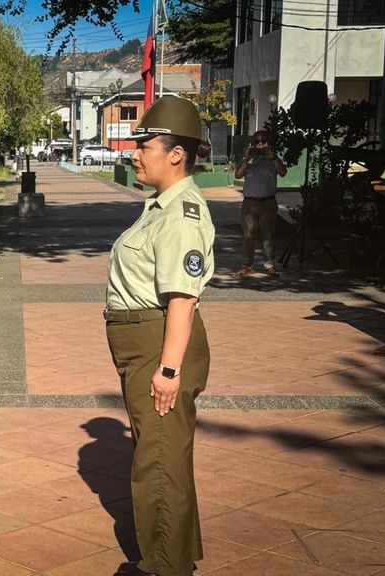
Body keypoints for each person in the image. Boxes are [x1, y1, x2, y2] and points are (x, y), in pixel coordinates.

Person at [104, 95, 214, 576]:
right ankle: (174, 558)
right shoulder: (160, 207)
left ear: (176, 153)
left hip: (159, 345)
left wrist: (168, 369)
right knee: (159, 453)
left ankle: (165, 567)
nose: (135, 152)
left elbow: (183, 300)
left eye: (144, 144)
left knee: (159, 461)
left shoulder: (181, 215)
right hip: (145, 344)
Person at [234, 129, 286, 278]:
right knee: (248, 236)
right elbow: (238, 174)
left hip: (268, 202)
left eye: (263, 141)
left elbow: (283, 172)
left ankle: (269, 265)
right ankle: (246, 265)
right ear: (253, 144)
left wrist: (274, 157)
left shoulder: (273, 159)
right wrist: (246, 158)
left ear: (268, 143)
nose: (260, 144)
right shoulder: (249, 159)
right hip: (250, 202)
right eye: (257, 141)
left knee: (268, 235)